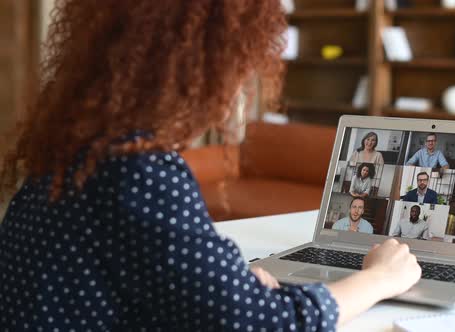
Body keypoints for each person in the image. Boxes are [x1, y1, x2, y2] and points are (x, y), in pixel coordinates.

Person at [0, 1, 421, 330]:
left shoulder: (80, 147)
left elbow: (120, 278)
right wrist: (381, 279)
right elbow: (273, 326)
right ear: (205, 66)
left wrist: (228, 291)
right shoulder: (140, 172)